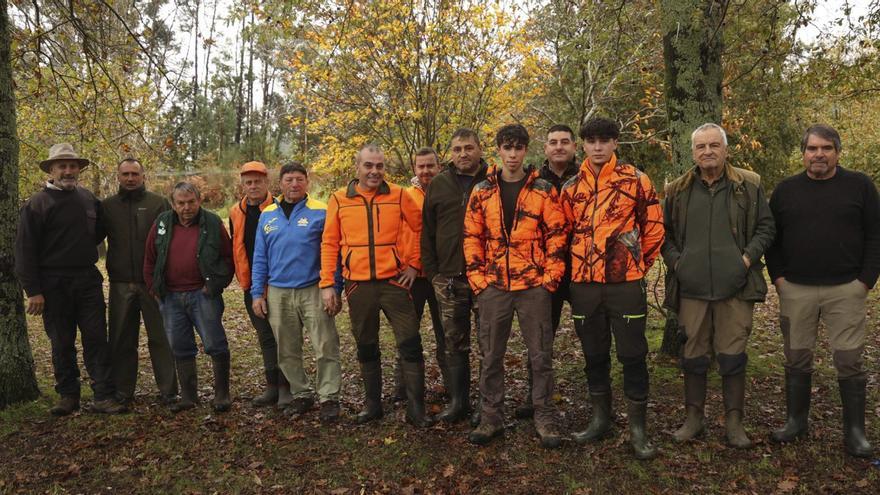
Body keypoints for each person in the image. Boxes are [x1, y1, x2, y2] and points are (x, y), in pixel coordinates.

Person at [766, 124, 879, 458]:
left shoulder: (860, 186)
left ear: (837, 152)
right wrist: (779, 280)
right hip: (796, 289)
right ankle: (796, 421)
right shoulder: (785, 191)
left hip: (846, 289)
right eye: (812, 148)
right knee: (797, 357)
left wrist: (865, 282)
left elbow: (875, 236)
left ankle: (855, 432)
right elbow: (772, 241)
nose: (818, 154)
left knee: (850, 360)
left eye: (826, 148)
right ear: (803, 153)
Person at [661, 123, 775, 448]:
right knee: (693, 356)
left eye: (714, 145)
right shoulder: (677, 190)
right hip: (692, 289)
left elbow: (766, 227)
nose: (707, 152)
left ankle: (734, 423)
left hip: (735, 287)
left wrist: (746, 259)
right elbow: (663, 234)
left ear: (726, 149)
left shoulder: (748, 185)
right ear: (693, 152)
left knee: (732, 355)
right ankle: (694, 419)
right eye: (701, 147)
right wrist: (677, 263)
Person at [560, 117, 664, 459]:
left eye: (605, 140)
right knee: (593, 352)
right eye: (591, 141)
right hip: (585, 285)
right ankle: (600, 418)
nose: (598, 147)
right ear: (583, 145)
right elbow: (563, 233)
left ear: (615, 143)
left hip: (625, 284)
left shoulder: (636, 180)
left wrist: (635, 264)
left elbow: (654, 228)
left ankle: (638, 429)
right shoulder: (572, 186)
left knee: (633, 353)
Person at [462, 124, 568, 448]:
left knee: (540, 354)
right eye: (506, 148)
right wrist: (479, 281)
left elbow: (558, 235)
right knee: (491, 354)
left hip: (533, 285)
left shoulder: (543, 189)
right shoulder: (482, 191)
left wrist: (549, 279)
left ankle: (544, 415)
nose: (512, 154)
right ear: (498, 150)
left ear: (525, 150)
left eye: (518, 148)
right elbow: (471, 237)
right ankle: (491, 416)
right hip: (494, 286)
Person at [320, 143, 433, 427]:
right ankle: (373, 406)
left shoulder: (398, 195)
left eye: (379, 166)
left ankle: (416, 408)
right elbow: (329, 243)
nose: (374, 171)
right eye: (369, 166)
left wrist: (414, 264)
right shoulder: (339, 199)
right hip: (358, 286)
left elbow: (421, 228)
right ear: (357, 167)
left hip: (394, 282)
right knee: (366, 345)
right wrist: (327, 283)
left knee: (410, 342)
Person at [15, 143, 127, 415]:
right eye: (62, 166)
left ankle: (103, 395)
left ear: (79, 169)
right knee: (62, 341)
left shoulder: (88, 198)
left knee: (97, 337)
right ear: (51, 170)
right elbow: (24, 250)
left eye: (72, 166)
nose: (68, 171)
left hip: (87, 280)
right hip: (53, 284)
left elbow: (97, 232)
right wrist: (34, 291)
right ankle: (68, 395)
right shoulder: (36, 204)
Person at [250, 162, 343, 422]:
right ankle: (301, 393)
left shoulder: (321, 211)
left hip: (313, 288)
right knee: (287, 348)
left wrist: (333, 287)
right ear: (280, 183)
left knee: (325, 345)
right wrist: (258, 293)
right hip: (278, 292)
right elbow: (260, 257)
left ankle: (329, 397)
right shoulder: (267, 214)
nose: (294, 184)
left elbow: (333, 253)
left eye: (299, 179)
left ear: (307, 182)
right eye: (289, 180)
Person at [144, 182, 235, 413]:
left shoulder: (213, 222)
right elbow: (150, 259)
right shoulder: (162, 223)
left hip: (203, 295)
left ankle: (222, 395)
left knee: (215, 343)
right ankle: (188, 396)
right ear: (173, 204)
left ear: (199, 200)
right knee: (180, 346)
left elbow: (227, 258)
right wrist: (155, 290)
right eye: (181, 203)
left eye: (191, 202)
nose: (186, 207)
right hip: (171, 297)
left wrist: (214, 286)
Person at [421, 128, 489, 424]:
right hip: (449, 278)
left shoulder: (493, 180)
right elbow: (428, 231)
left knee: (489, 344)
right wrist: (434, 272)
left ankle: (487, 406)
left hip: (486, 277)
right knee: (454, 342)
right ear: (450, 153)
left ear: (479, 149)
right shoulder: (439, 184)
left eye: (469, 148)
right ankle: (459, 401)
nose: (464, 153)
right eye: (458, 148)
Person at [515, 124, 580, 420]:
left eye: (564, 142)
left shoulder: (587, 176)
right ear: (545, 148)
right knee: (540, 338)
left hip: (581, 269)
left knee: (591, 336)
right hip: (544, 270)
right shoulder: (533, 181)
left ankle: (596, 399)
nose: (559, 147)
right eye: (553, 142)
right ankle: (535, 396)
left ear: (574, 146)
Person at [102, 158, 178, 406]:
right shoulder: (108, 206)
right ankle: (123, 391)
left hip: (153, 283)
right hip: (121, 283)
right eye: (125, 174)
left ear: (143, 176)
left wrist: (164, 277)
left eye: (135, 173)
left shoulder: (158, 204)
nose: (130, 178)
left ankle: (168, 391)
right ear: (118, 176)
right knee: (122, 338)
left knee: (161, 337)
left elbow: (172, 241)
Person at [228, 161, 290, 408]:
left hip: (278, 283)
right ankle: (272, 387)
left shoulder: (279, 208)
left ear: (267, 183)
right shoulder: (235, 211)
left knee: (282, 336)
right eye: (248, 182)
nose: (253, 186)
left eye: (258, 181)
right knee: (265, 337)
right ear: (242, 184)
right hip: (250, 284)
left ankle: (287, 386)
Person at [394, 147, 446, 401]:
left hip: (442, 274)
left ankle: (451, 387)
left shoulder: (448, 190)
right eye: (421, 166)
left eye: (430, 166)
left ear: (439, 166)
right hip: (412, 275)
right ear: (415, 169)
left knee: (446, 333)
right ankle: (402, 388)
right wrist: (410, 263)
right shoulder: (405, 196)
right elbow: (407, 233)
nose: (426, 171)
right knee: (407, 332)